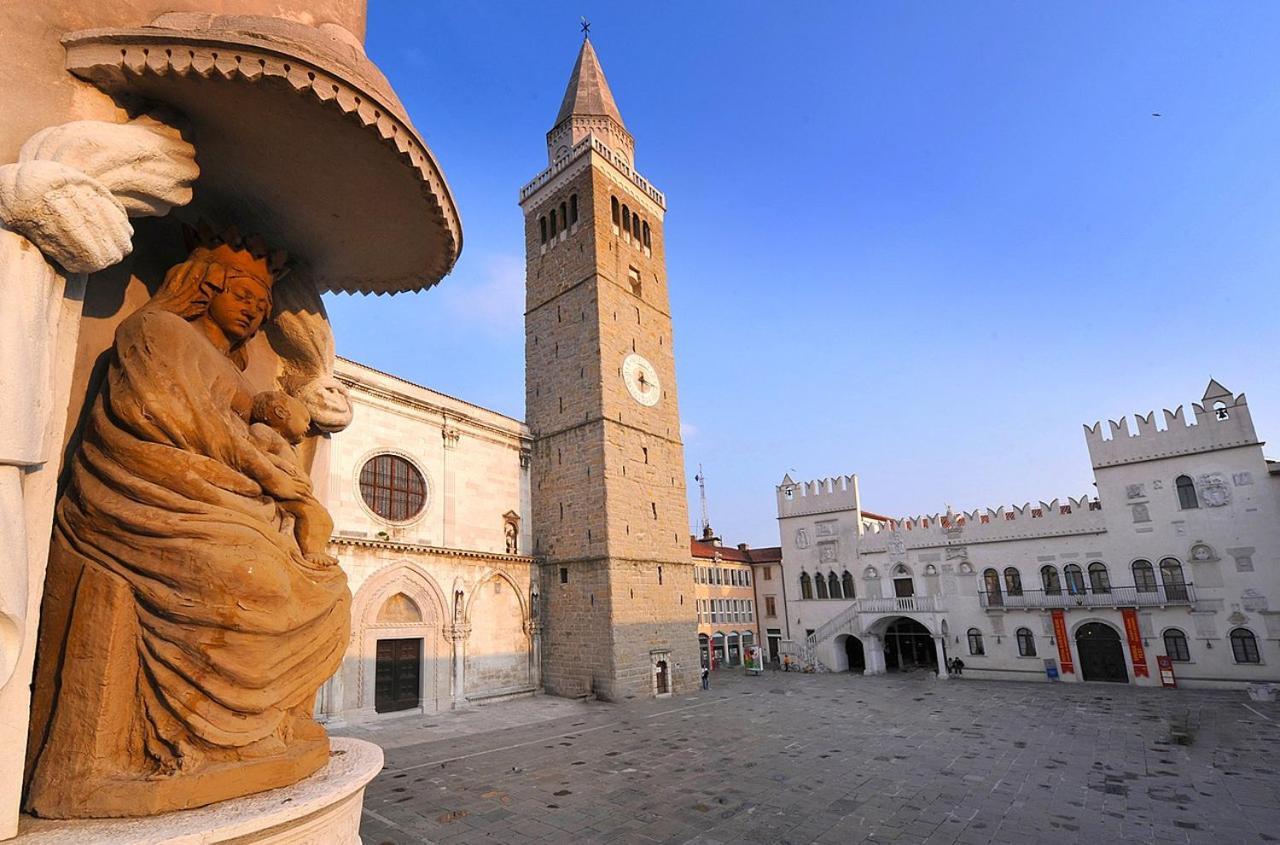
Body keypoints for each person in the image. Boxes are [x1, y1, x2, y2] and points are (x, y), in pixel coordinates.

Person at [25, 233, 350, 818]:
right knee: (252, 580)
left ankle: (253, 728)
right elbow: (170, 419)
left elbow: (240, 427)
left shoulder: (233, 370)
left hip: (214, 492)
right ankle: (194, 736)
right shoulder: (155, 332)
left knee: (324, 586)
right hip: (146, 490)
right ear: (204, 286)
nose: (254, 309)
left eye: (262, 302)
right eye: (244, 293)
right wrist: (279, 481)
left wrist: (269, 429)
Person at [249, 390, 338, 567]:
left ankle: (314, 549)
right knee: (312, 514)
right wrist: (282, 465)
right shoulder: (262, 431)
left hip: (298, 494)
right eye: (305, 420)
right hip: (283, 492)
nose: (308, 426)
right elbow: (254, 453)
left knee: (323, 518)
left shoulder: (288, 445)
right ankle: (312, 552)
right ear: (281, 412)